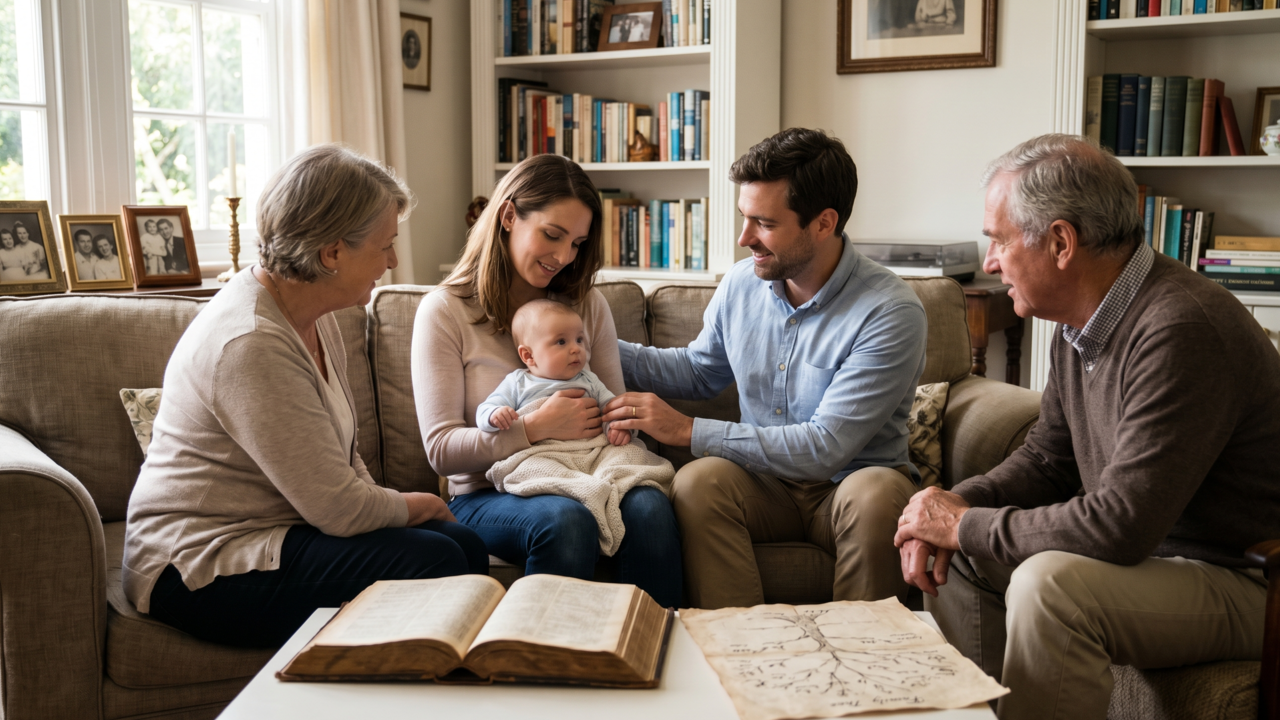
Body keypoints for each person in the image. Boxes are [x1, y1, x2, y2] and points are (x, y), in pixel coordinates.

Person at [894, 134, 1280, 720]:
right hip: (1164, 562)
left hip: (1250, 579)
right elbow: (1049, 460)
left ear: (1060, 242)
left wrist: (966, 522)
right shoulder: (1083, 321)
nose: (991, 261)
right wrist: (954, 505)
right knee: (967, 551)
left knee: (1050, 586)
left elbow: (1121, 525)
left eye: (998, 240)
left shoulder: (1180, 327)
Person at [123, 144, 488, 648]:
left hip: (277, 532)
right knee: (437, 558)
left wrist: (408, 510)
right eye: (384, 245)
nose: (394, 260)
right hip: (198, 564)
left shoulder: (312, 314)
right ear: (332, 252)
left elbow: (343, 458)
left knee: (461, 543)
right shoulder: (250, 342)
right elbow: (338, 510)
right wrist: (418, 505)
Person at [599, 127, 929, 609]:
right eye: (744, 218)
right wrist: (592, 345)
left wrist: (688, 430)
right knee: (697, 482)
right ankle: (739, 650)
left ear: (823, 222)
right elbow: (699, 372)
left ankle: (863, 655)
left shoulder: (889, 311)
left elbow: (826, 448)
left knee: (877, 492)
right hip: (764, 486)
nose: (744, 238)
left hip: (849, 484)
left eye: (764, 223)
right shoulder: (741, 284)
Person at [412, 153, 682, 608]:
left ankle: (656, 652)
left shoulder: (586, 305)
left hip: (590, 468)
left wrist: (622, 422)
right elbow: (441, 450)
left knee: (651, 508)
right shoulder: (445, 312)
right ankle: (542, 661)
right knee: (565, 519)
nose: (563, 257)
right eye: (552, 235)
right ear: (509, 215)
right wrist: (533, 428)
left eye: (577, 243)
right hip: (488, 493)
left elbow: (613, 406)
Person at [478, 299, 631, 447]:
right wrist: (495, 414)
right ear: (528, 356)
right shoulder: (518, 382)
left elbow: (613, 409)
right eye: (561, 342)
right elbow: (485, 410)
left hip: (590, 449)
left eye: (579, 339)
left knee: (629, 456)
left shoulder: (590, 380)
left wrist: (617, 428)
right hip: (541, 454)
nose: (576, 349)